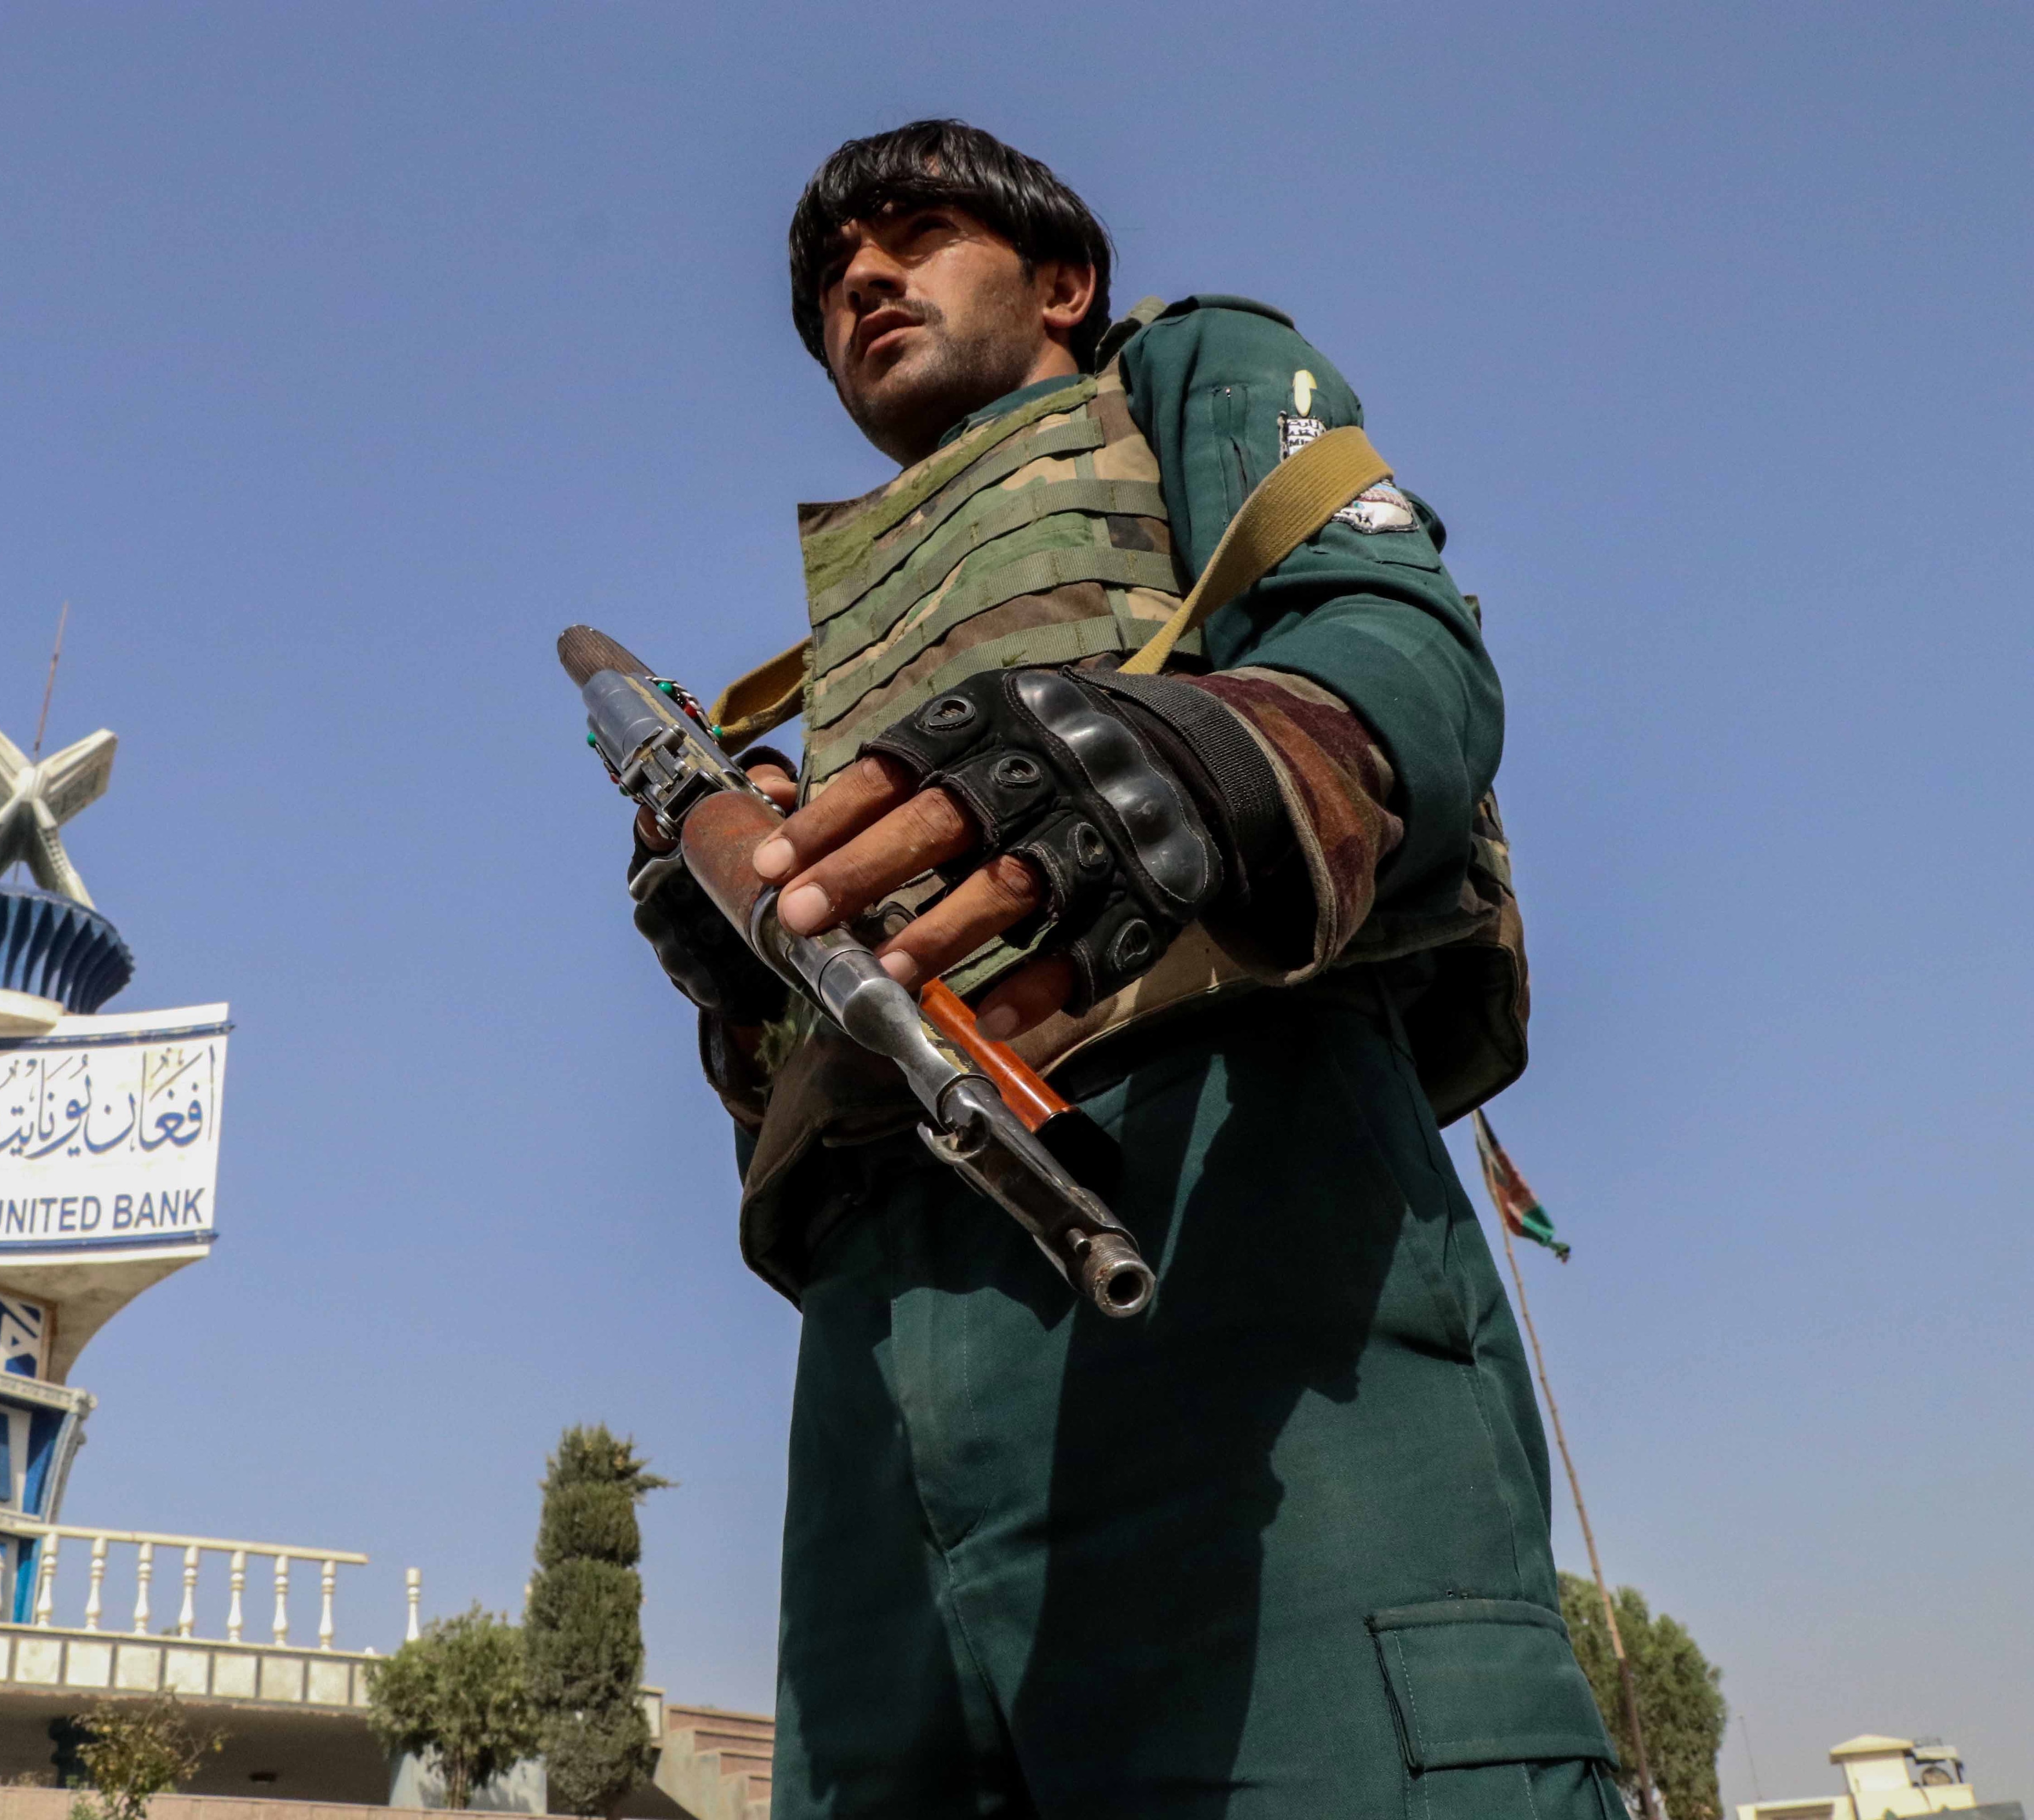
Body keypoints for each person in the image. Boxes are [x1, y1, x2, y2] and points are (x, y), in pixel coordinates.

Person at [627, 121, 1624, 1818]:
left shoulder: (1190, 372)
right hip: (885, 1355)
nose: (860, 277)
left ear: (1063, 281)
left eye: (920, 232)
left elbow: (1397, 645)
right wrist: (750, 965)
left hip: (1238, 1241)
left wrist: (1200, 759)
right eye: (827, 280)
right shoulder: (844, 645)